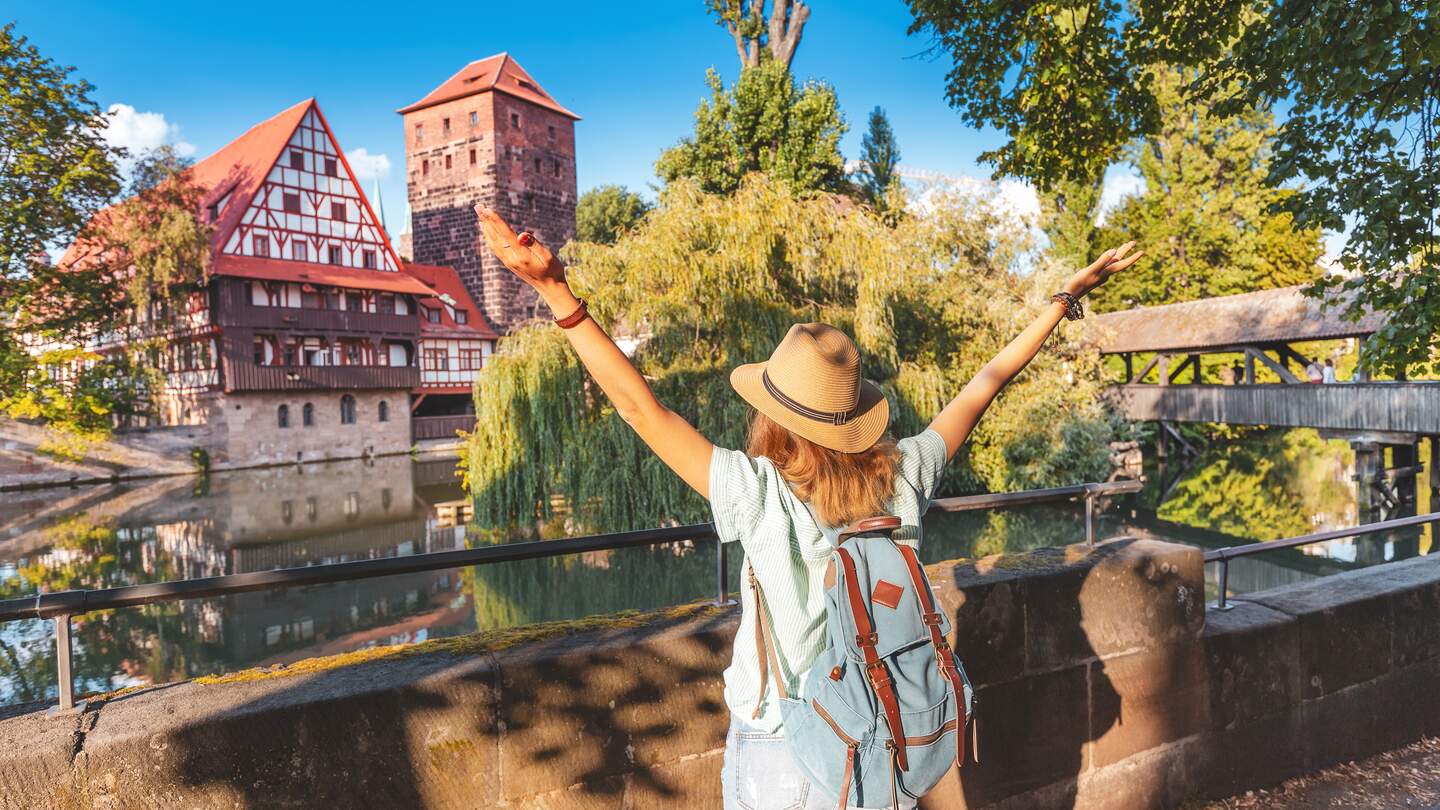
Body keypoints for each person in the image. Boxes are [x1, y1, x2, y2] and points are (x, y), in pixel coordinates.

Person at [473, 205, 1142, 808]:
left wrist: (554, 289)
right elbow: (984, 386)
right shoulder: (907, 472)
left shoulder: (755, 489)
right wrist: (1063, 300)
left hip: (781, 744)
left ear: (773, 413)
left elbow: (639, 409)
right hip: (882, 738)